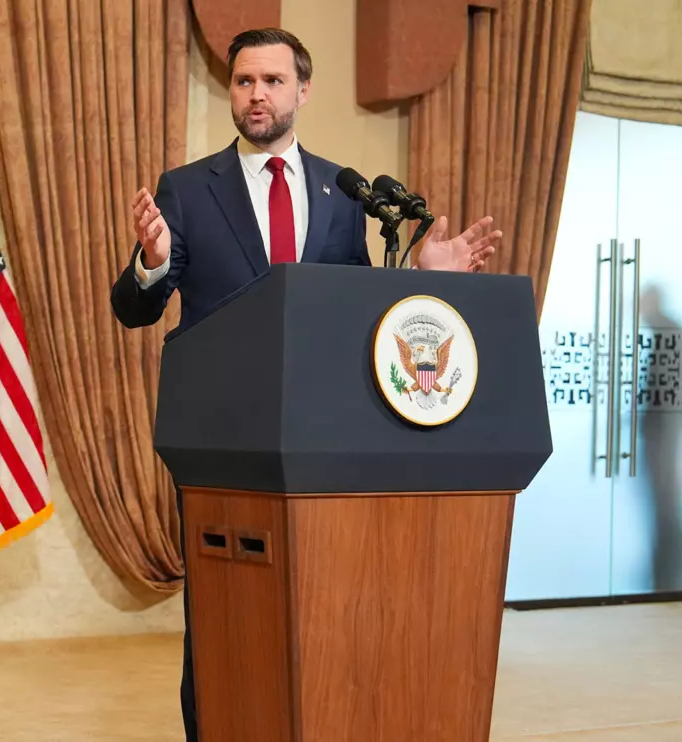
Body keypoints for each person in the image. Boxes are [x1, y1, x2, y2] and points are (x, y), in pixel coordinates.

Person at [108, 28, 503, 741]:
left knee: (321, 612)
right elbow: (133, 309)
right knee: (223, 620)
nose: (254, 94)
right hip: (221, 439)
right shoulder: (187, 189)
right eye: (241, 82)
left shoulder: (343, 190)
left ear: (301, 91)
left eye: (269, 81)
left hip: (319, 443)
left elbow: (353, 318)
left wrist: (421, 281)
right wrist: (153, 261)